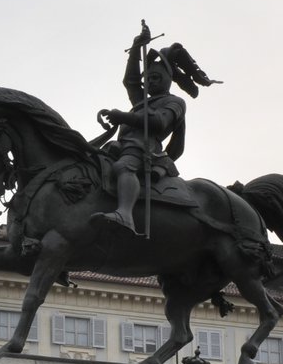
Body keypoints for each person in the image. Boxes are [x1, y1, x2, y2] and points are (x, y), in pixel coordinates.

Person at [91, 22, 217, 238]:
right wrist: (136, 47)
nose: (149, 82)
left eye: (155, 78)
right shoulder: (142, 100)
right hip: (122, 145)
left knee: (123, 167)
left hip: (144, 149)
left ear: (168, 79)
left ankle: (125, 214)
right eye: (147, 79)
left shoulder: (175, 102)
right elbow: (130, 81)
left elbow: (158, 122)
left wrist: (121, 116)